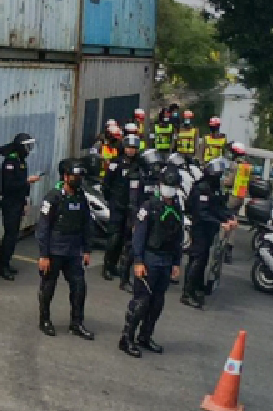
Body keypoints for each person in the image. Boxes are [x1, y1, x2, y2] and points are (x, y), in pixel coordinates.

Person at [119, 154, 184, 357]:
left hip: (165, 261)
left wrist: (176, 262)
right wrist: (138, 261)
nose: (169, 189)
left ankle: (145, 337)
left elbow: (178, 238)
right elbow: (138, 235)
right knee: (141, 302)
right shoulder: (149, 207)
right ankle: (126, 338)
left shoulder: (176, 208)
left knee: (157, 304)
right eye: (167, 184)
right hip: (149, 259)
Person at [33, 159, 95, 339]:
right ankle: (44, 320)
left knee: (79, 286)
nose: (78, 180)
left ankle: (77, 323)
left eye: (80, 177)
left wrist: (87, 249)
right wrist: (44, 255)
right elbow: (43, 227)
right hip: (54, 251)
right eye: (75, 177)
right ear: (66, 177)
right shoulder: (53, 197)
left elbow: (86, 223)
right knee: (48, 287)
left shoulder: (80, 196)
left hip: (73, 251)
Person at [179, 158, 237, 309]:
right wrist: (220, 223)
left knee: (203, 260)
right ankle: (187, 292)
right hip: (200, 229)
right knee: (196, 259)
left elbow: (218, 207)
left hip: (209, 230)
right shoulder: (202, 188)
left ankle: (197, 288)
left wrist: (230, 217)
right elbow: (202, 214)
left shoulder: (214, 188)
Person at [102, 134, 143, 286]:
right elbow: (106, 184)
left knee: (126, 238)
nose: (131, 151)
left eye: (134, 148)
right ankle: (107, 266)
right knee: (114, 237)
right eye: (129, 147)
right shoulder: (116, 164)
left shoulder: (140, 164)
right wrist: (112, 200)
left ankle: (116, 266)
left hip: (131, 207)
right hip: (117, 205)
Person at [0, 133, 34, 279]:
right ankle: (2, 266)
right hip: (10, 203)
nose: (28, 149)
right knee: (10, 235)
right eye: (26, 146)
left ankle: (7, 262)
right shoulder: (10, 162)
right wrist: (27, 182)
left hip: (18, 202)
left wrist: (25, 201)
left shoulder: (21, 161)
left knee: (13, 235)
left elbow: (21, 186)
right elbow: (9, 186)